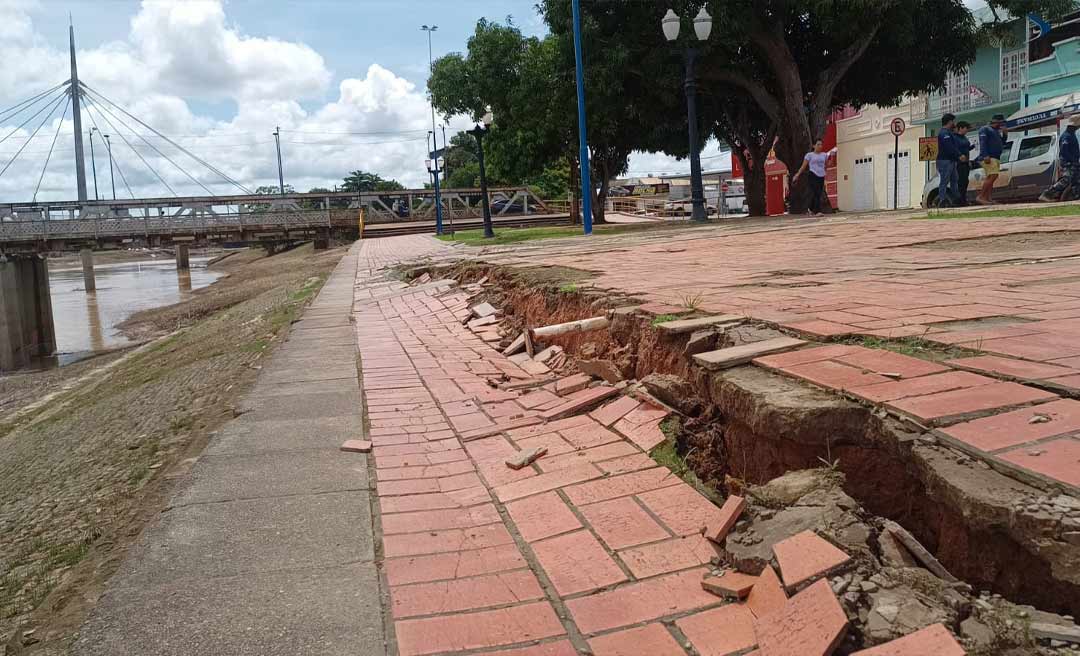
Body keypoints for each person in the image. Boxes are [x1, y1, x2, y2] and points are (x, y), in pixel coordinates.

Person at [1040, 114, 1080, 202]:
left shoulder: (1071, 135)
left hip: (1074, 163)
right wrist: (1072, 161)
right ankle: (1048, 193)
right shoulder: (1067, 136)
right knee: (1066, 179)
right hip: (1069, 163)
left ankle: (1076, 197)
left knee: (1076, 181)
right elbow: (1064, 152)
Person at [791, 138, 836, 216]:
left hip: (821, 175)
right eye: (818, 144)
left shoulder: (824, 155)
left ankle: (810, 209)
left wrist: (832, 157)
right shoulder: (809, 155)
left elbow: (827, 165)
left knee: (817, 193)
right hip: (812, 174)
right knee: (816, 192)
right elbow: (803, 166)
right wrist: (797, 175)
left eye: (821, 144)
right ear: (814, 146)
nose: (820, 146)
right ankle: (817, 211)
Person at [976, 114, 1008, 205]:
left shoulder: (996, 131)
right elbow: (983, 142)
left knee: (991, 177)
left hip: (996, 157)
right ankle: (981, 196)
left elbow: (1002, 143)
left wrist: (1005, 134)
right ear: (996, 121)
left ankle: (988, 198)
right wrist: (985, 155)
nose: (1002, 125)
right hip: (989, 157)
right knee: (993, 176)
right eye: (1001, 122)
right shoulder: (985, 129)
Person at [936, 113, 961, 207]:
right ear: (949, 121)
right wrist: (958, 155)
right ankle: (942, 200)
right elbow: (949, 147)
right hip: (945, 161)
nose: (954, 123)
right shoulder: (944, 133)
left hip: (951, 160)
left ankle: (956, 199)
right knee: (944, 180)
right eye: (953, 121)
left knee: (954, 180)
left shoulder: (949, 133)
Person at [954, 121, 974, 206]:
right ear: (960, 128)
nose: (967, 130)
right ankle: (959, 200)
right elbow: (954, 150)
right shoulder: (955, 138)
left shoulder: (965, 138)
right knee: (960, 182)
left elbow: (966, 149)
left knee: (965, 181)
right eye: (966, 128)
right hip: (958, 163)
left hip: (965, 162)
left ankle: (963, 199)